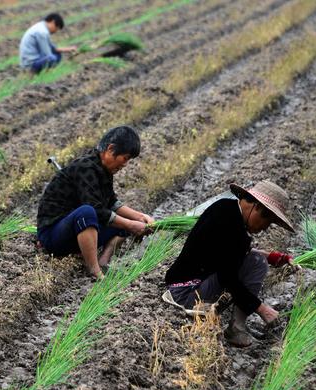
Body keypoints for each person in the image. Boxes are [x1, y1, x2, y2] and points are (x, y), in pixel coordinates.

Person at [163, 181, 297, 347]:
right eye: (267, 222)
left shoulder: (225, 209)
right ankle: (236, 329)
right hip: (188, 293)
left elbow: (229, 254)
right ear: (257, 209)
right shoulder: (233, 227)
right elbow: (228, 276)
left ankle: (236, 326)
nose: (265, 229)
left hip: (184, 284)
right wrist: (262, 309)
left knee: (257, 260)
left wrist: (274, 257)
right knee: (257, 263)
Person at [37, 126, 154, 278]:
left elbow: (111, 202)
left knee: (125, 221)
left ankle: (103, 262)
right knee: (87, 212)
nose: (125, 164)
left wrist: (139, 217)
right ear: (110, 149)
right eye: (125, 158)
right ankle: (94, 270)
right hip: (53, 235)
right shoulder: (85, 167)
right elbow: (96, 210)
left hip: (74, 232)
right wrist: (130, 224)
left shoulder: (104, 169)